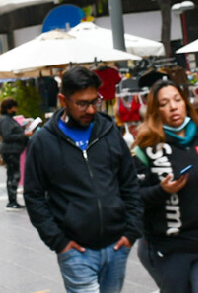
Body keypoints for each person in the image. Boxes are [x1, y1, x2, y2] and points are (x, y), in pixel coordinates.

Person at [25, 66, 143, 293]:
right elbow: (34, 196)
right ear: (63, 100)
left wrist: (131, 232)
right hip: (76, 251)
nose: (90, 109)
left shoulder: (109, 131)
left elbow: (129, 183)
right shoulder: (43, 142)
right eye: (81, 103)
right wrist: (58, 242)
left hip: (117, 245)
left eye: (95, 101)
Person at [131, 79, 198, 293]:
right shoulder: (144, 150)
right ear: (155, 111)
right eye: (164, 103)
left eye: (177, 100)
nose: (173, 107)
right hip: (172, 248)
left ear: (186, 103)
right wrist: (162, 191)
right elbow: (134, 198)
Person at [0, 98, 29, 210]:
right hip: (10, 151)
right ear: (8, 108)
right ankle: (12, 201)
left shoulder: (8, 119)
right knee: (13, 174)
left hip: (13, 150)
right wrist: (24, 135)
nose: (16, 109)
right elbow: (7, 136)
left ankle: (13, 200)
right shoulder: (6, 120)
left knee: (13, 174)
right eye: (14, 107)